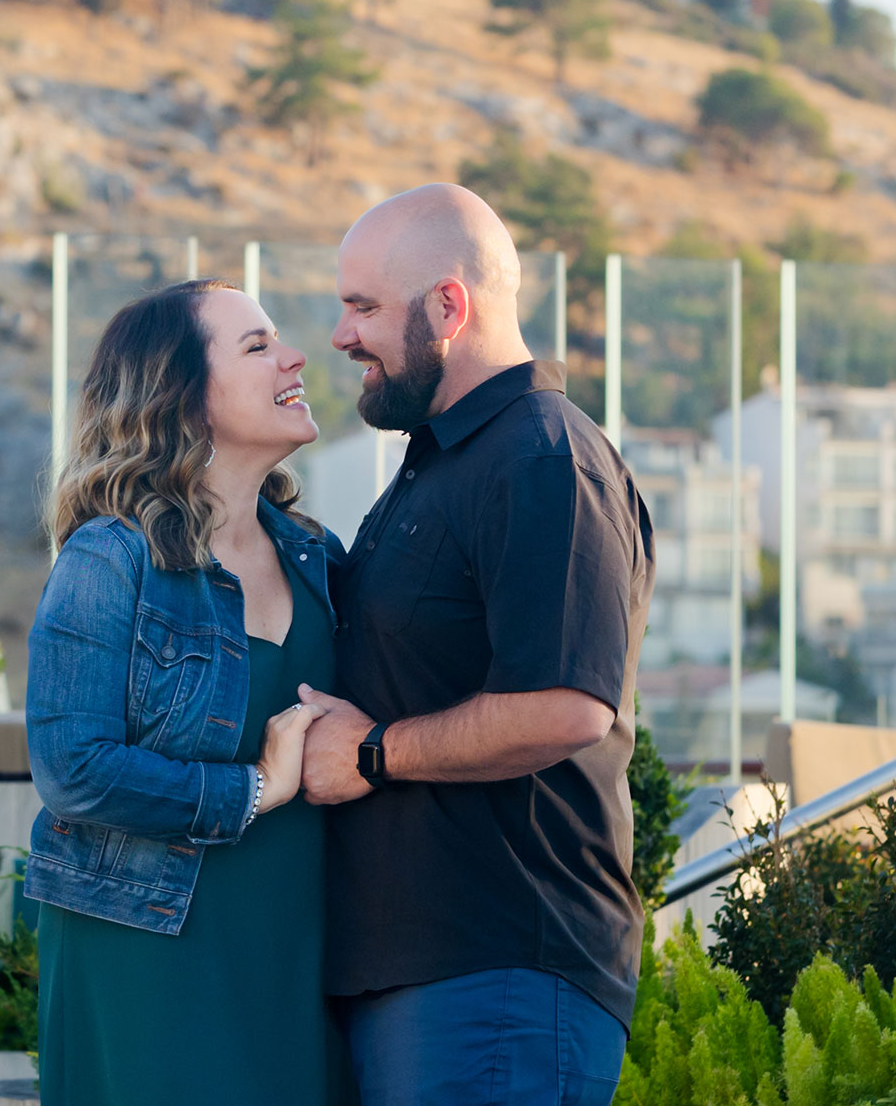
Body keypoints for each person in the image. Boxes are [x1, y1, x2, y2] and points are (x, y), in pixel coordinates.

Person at [301, 183, 655, 1106]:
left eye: (363, 306)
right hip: (424, 981)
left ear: (448, 307)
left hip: (499, 978)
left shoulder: (543, 459)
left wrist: (375, 753)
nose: (340, 335)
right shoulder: (442, 462)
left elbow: (566, 703)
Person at [25, 278, 345, 1106]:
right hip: (150, 947)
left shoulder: (320, 557)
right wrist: (256, 788)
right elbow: (73, 766)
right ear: (182, 391)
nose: (295, 355)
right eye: (256, 345)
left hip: (304, 941)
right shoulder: (109, 556)